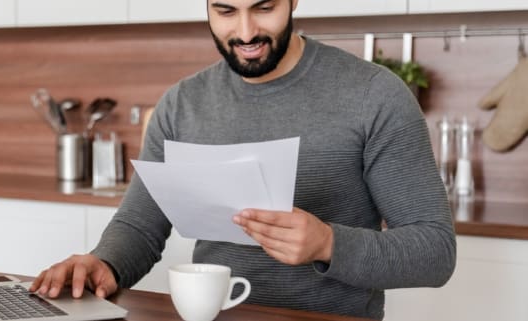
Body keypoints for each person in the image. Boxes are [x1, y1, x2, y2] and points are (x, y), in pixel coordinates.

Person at [30, 0, 456, 319]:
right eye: (226, 10)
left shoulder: (373, 95)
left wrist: (328, 243)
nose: (246, 31)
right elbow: (140, 226)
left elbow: (435, 251)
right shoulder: (182, 104)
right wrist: (104, 263)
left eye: (264, 7)